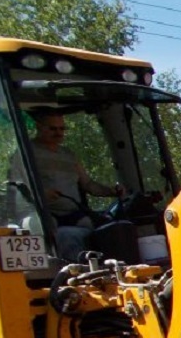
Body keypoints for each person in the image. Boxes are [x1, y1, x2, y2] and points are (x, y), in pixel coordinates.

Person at [9, 110, 123, 261]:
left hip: (71, 213)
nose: (58, 133)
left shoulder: (68, 155)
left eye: (62, 129)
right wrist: (41, 194)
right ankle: (60, 273)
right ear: (39, 127)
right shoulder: (25, 153)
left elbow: (88, 184)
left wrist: (111, 191)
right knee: (48, 227)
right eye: (53, 128)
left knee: (105, 229)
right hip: (42, 214)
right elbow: (17, 187)